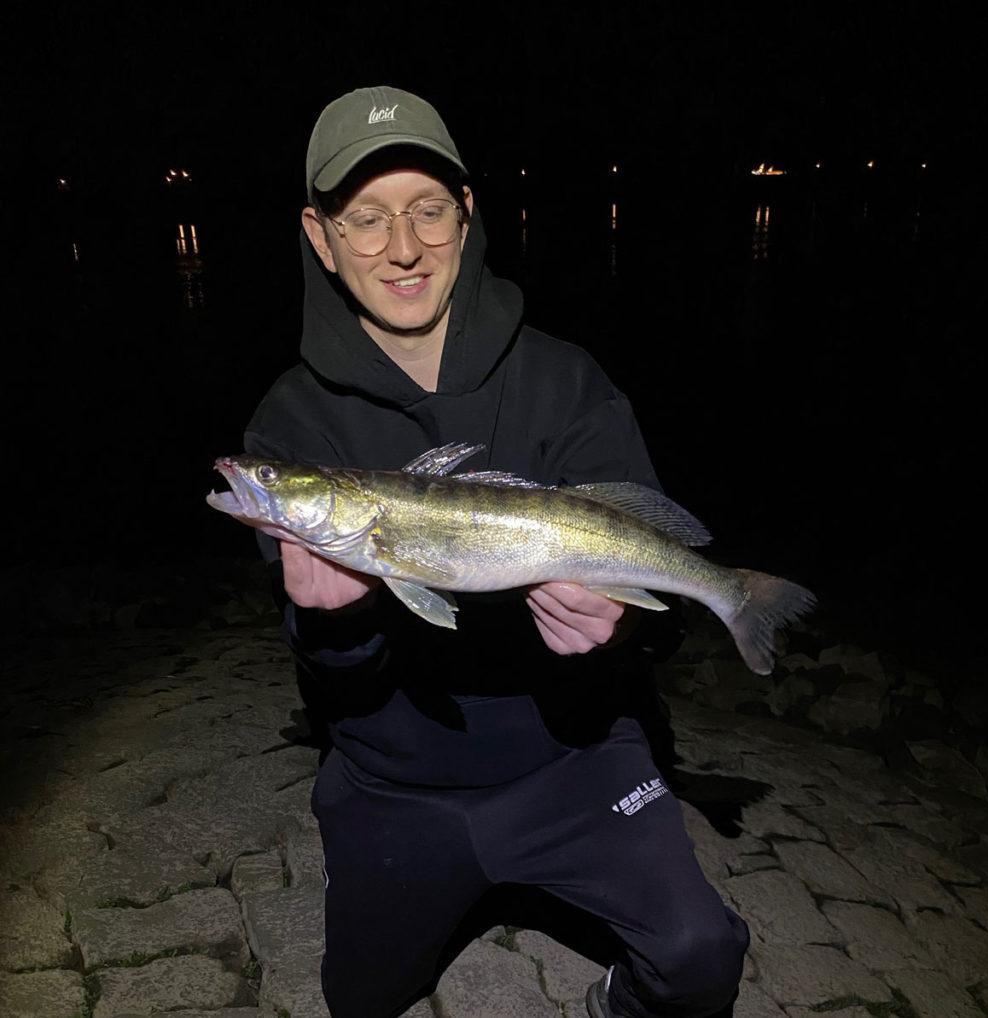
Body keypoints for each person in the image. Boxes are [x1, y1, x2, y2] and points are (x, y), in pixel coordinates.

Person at [243, 85, 749, 1018]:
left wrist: (619, 632)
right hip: (395, 782)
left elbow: (654, 608)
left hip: (570, 759)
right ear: (319, 236)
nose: (404, 249)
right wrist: (336, 625)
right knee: (358, 999)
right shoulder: (290, 426)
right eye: (366, 220)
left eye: (428, 210)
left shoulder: (567, 379)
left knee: (699, 959)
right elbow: (330, 670)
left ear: (467, 215)